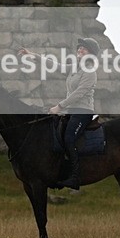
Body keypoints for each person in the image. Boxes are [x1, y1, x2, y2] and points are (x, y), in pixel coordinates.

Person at [19, 37, 100, 190]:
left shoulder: (89, 72)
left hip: (83, 112)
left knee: (69, 138)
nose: (80, 50)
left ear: (91, 54)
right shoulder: (74, 68)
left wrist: (59, 106)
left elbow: (79, 93)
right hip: (71, 111)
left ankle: (75, 177)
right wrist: (33, 55)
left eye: (84, 48)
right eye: (79, 47)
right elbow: (54, 65)